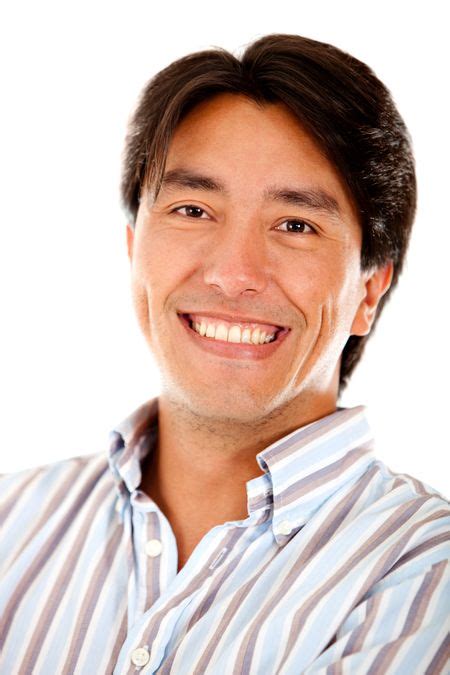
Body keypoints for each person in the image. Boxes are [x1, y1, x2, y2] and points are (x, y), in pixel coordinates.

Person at [0, 33, 448, 675]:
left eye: (296, 225)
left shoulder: (425, 575)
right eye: (193, 209)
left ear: (369, 289)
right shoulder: (11, 523)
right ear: (134, 248)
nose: (234, 273)